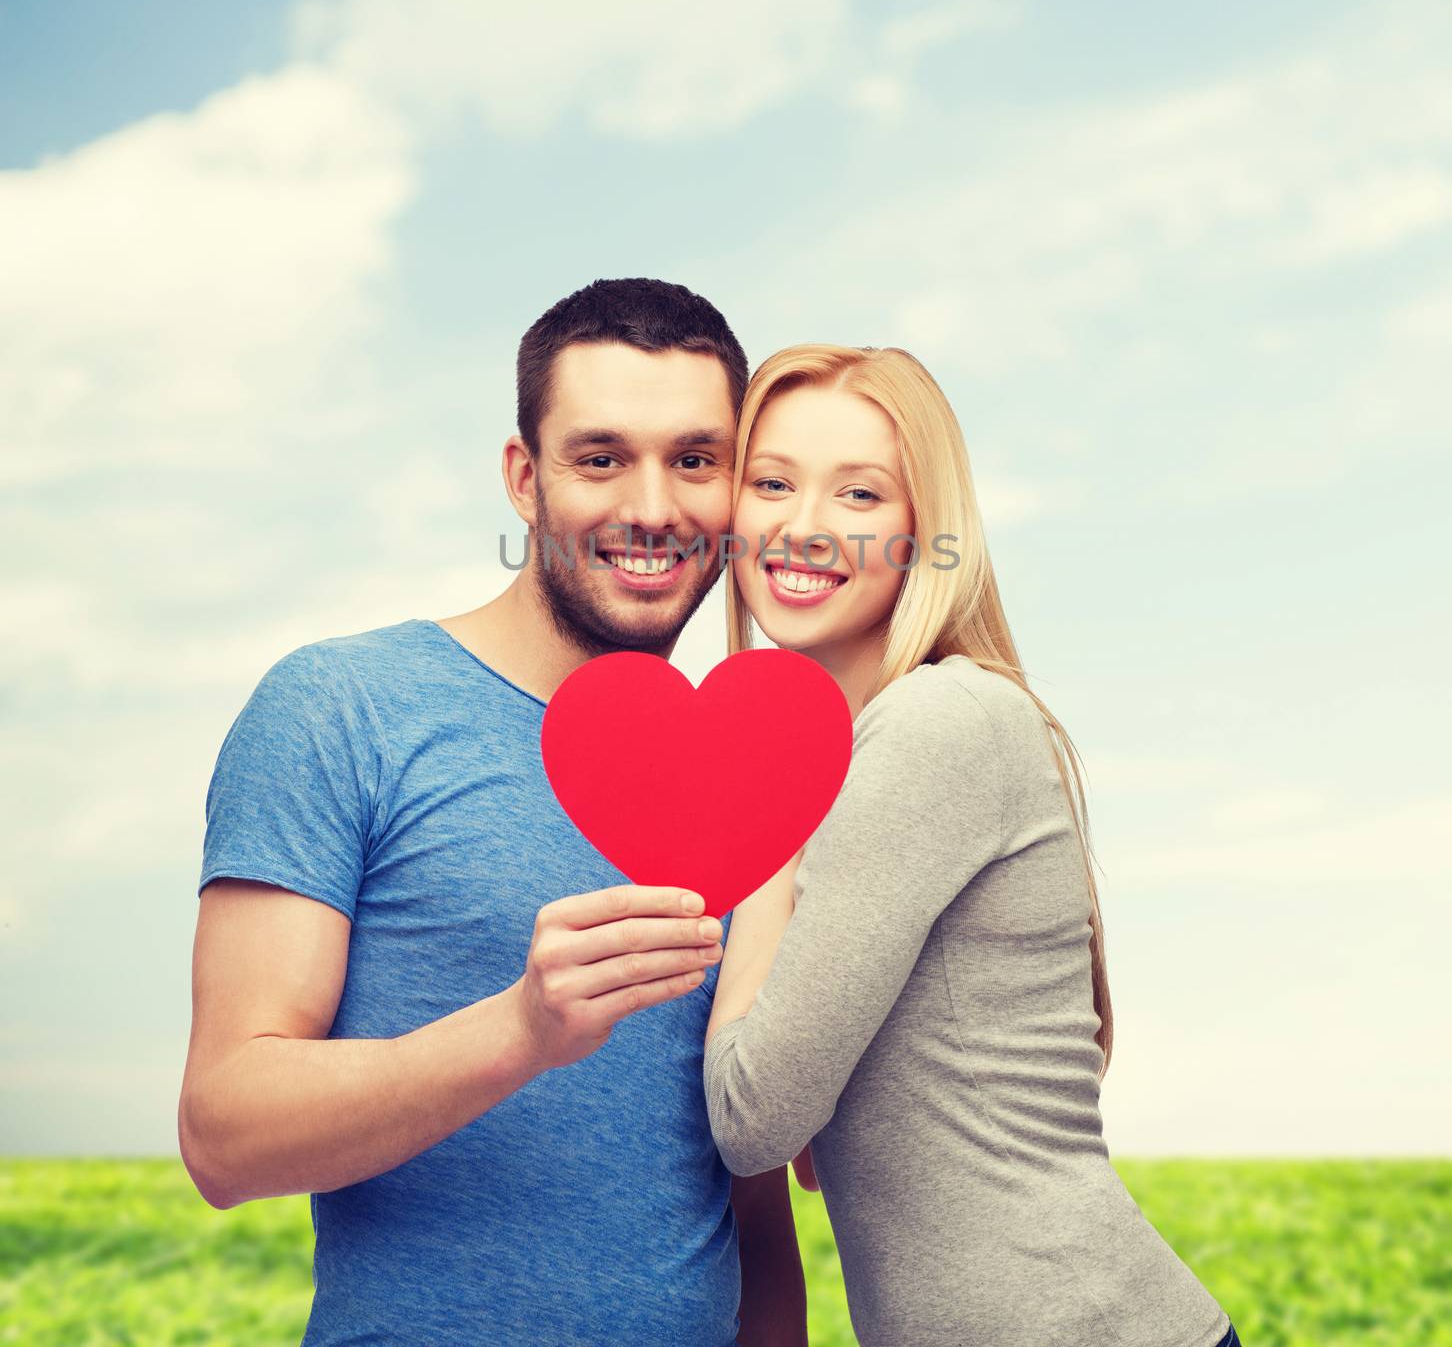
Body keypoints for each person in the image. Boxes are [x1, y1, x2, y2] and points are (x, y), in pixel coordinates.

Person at [178, 279, 808, 1346]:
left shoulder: (751, 778)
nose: (653, 507)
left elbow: (745, 1192)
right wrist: (519, 1031)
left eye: (695, 460)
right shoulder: (341, 708)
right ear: (525, 477)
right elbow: (223, 1135)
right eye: (600, 457)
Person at [703, 344, 1242, 1347]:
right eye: (771, 482)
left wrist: (762, 834)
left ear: (923, 534)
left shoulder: (936, 724)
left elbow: (754, 1118)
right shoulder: (875, 750)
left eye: (859, 493)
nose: (803, 525)